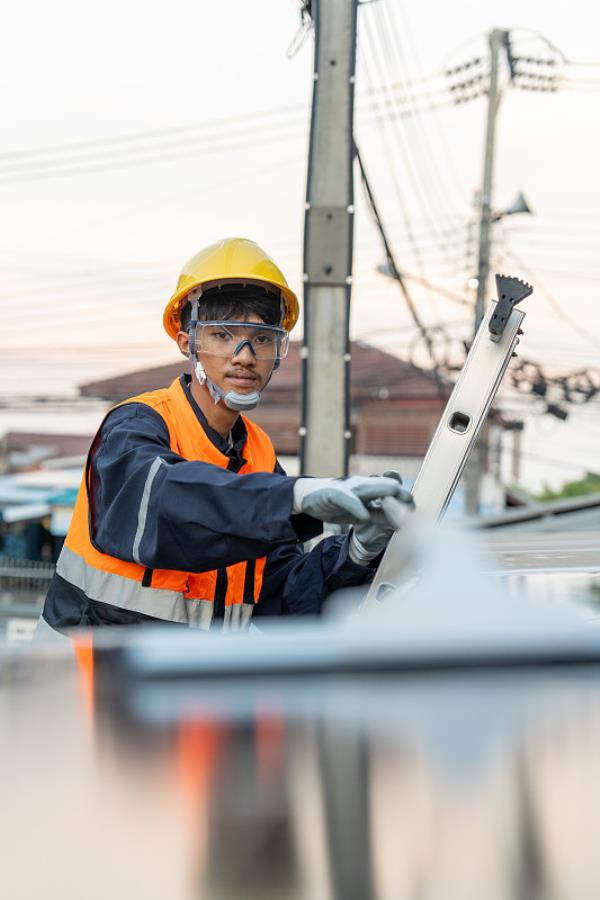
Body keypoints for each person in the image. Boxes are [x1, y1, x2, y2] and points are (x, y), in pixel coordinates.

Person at [40, 238, 413, 634]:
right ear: (188, 342)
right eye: (223, 335)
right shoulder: (135, 426)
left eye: (263, 338)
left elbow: (283, 599)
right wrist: (291, 498)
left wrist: (355, 554)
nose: (245, 355)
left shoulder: (260, 458)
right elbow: (168, 506)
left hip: (189, 690)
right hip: (80, 687)